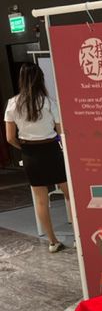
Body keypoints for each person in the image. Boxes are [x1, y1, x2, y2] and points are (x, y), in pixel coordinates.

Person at [4, 62, 69, 253]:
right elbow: (61, 132)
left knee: (41, 200)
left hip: (30, 154)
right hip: (52, 151)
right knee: (69, 195)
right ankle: (82, 236)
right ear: (40, 79)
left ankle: (52, 241)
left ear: (21, 80)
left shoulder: (12, 103)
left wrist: (24, 148)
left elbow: (10, 138)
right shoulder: (49, 102)